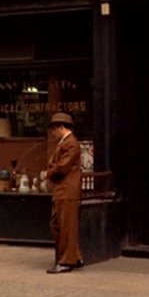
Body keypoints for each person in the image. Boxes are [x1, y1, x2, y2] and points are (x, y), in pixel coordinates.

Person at [45, 112, 84, 274]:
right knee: (58, 224)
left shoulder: (70, 144)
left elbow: (62, 167)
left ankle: (67, 261)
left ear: (61, 127)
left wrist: (48, 173)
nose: (53, 133)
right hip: (62, 191)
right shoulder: (64, 143)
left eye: (54, 129)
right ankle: (75, 256)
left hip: (67, 190)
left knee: (65, 225)